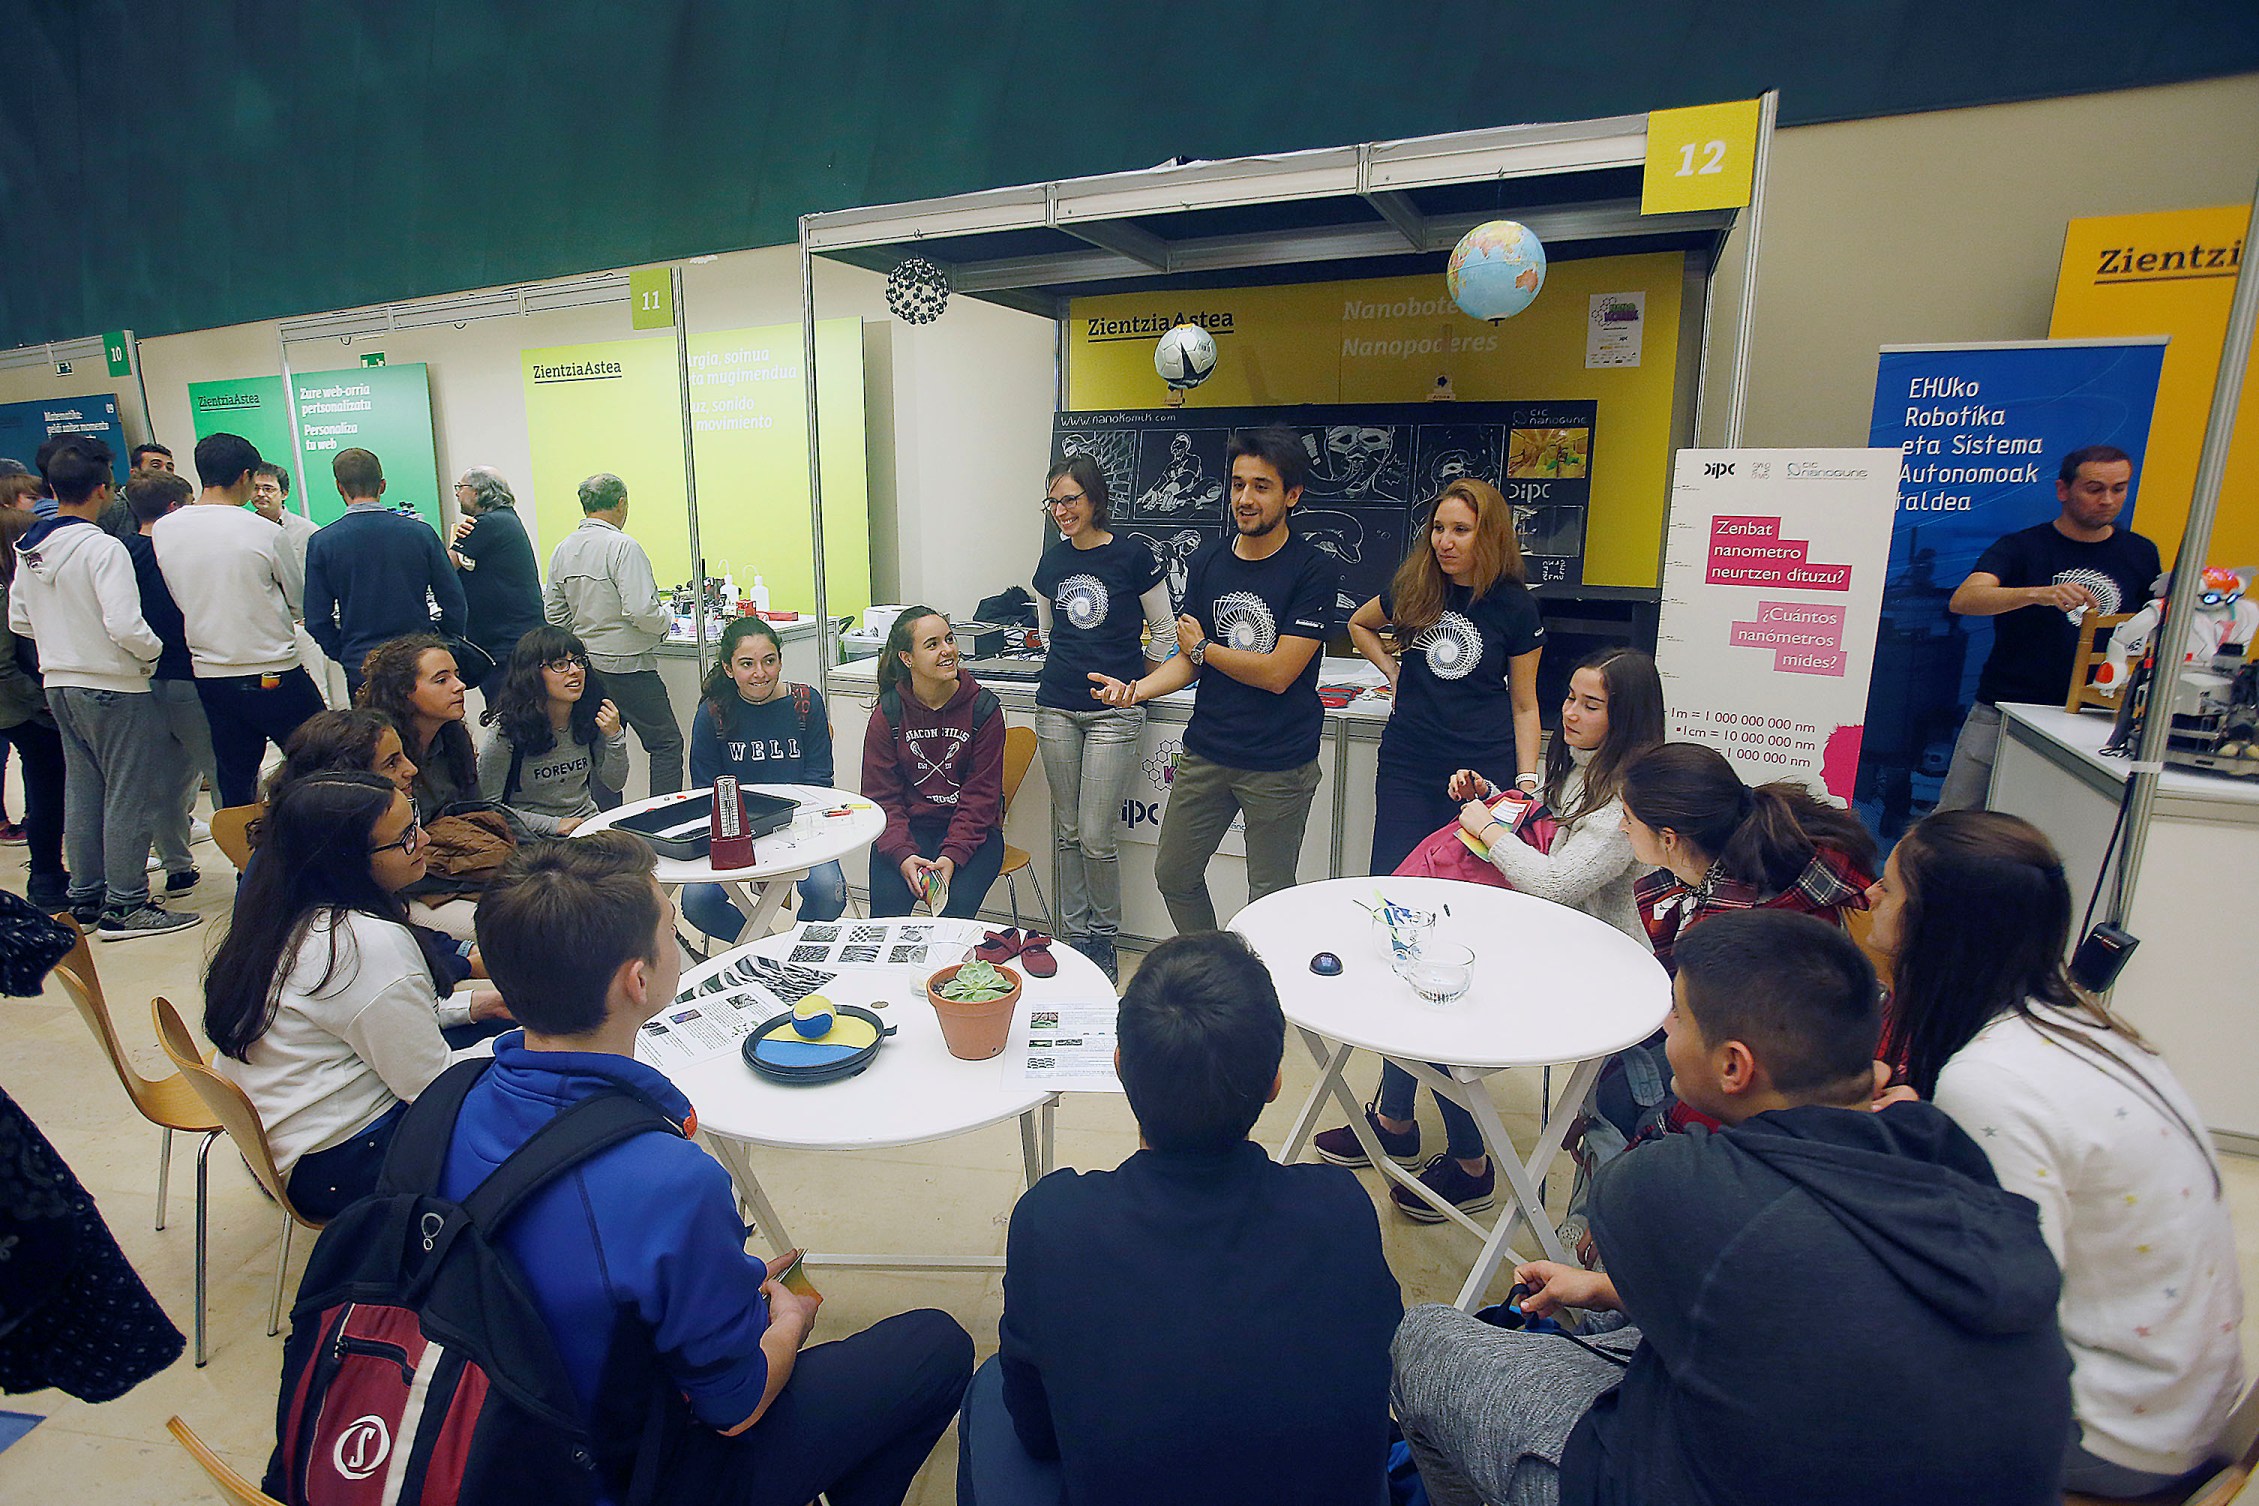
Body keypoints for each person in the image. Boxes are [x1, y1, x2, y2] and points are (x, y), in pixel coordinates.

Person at [1391, 909, 2076, 1506]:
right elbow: (1819, 1294)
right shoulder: (1940, 1148)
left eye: (1678, 1015)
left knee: (1426, 1342)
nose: (1664, 1028)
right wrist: (1607, 1289)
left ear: (1733, 1067)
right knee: (1611, 1319)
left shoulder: (1667, 1184)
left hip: (1708, 1478)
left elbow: (1746, 1249)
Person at [437, 831, 973, 1505]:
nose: (675, 939)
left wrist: (712, 1282)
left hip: (480, 1433)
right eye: (670, 928)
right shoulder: (665, 1179)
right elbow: (736, 1405)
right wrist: (792, 1320)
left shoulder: (444, 1102)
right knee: (935, 1346)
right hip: (622, 1473)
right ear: (637, 980)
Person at [1868, 809, 2244, 1497]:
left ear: (1937, 924)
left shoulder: (1989, 1080)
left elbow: (2004, 1302)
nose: (1869, 895)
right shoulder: (2077, 1017)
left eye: (1889, 888)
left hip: (2116, 1431)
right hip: (2180, 1396)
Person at [963, 931, 1401, 1506]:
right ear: (1274, 1082)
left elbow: (1038, 1432)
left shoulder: (1053, 1224)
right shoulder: (1342, 1210)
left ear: (1120, 1067)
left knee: (989, 1389)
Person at [1314, 647, 1666, 1219]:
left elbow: (1556, 882)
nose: (1570, 713)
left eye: (1591, 705)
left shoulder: (1625, 802)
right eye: (1570, 698)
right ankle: (1394, 1123)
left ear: (1626, 717)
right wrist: (1492, 800)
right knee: (1415, 973)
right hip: (1548, 938)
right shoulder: (1582, 767)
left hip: (1590, 966)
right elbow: (1542, 825)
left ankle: (1471, 1166)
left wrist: (1487, 830)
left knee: (1438, 1009)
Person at [202, 771, 505, 1217]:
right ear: (347, 861)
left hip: (293, 1137)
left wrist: (477, 1005)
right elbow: (431, 1086)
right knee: (539, 1081)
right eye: (405, 838)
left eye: (415, 820)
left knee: (494, 1028)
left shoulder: (276, 912)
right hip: (342, 1165)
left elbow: (365, 1016)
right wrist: (525, 1044)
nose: (424, 840)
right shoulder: (364, 944)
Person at [1090, 427, 1340, 934]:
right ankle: (1215, 964)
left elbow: (1278, 673)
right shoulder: (1208, 560)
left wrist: (1205, 648)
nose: (1245, 498)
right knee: (1174, 874)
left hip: (1279, 762)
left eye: (1261, 486)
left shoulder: (1312, 570)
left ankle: (1262, 980)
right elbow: (1189, 660)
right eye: (1238, 484)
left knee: (1269, 894)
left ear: (1292, 495)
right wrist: (1137, 690)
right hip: (1207, 751)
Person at [8, 439, 198, 940]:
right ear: (102, 490)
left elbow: (19, 620)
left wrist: (65, 639)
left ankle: (87, 897)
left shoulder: (31, 546)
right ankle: (127, 904)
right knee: (129, 792)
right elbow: (125, 625)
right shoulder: (102, 547)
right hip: (113, 685)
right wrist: (152, 654)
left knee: (84, 789)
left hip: (59, 683)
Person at [1938, 445, 2162, 810]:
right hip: (2006, 709)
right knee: (1955, 819)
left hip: (2098, 716)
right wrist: (2037, 593)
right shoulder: (2021, 547)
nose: (2107, 500)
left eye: (2119, 488)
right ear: (2063, 490)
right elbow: (1965, 599)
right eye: (2094, 488)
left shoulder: (2141, 552)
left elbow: (2152, 624)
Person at [1349, 476, 1545, 873]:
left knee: (1468, 879)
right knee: (1395, 876)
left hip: (1481, 770)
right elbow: (1359, 624)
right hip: (1409, 762)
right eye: (1438, 528)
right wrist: (1393, 671)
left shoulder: (1515, 605)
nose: (1445, 542)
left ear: (1489, 535)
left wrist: (1526, 782)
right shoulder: (1415, 587)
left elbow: (1525, 705)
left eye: (1460, 530)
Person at [1030, 455, 1172, 980]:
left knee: (1094, 833)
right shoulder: (1051, 563)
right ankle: (1073, 938)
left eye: (1070, 499)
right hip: (1056, 707)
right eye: (1053, 502)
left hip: (1114, 713)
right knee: (1067, 831)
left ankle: (1104, 937)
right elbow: (1048, 634)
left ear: (1095, 499)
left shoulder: (1133, 557)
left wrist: (1141, 685)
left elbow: (1164, 631)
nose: (1061, 511)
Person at [153, 431, 327, 809]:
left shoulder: (165, 529)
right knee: (320, 759)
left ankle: (244, 846)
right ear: (246, 476)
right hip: (274, 669)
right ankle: (314, 835)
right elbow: (298, 601)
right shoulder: (265, 530)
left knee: (235, 776)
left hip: (211, 673)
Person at [261, 707, 485, 997]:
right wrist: (466, 964)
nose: (412, 769)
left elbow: (404, 928)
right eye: (392, 763)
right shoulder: (317, 891)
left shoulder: (330, 847)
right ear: (348, 782)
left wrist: (464, 953)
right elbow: (387, 970)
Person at [686, 616, 846, 940]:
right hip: (734, 830)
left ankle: (793, 948)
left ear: (780, 662)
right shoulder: (712, 712)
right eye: (747, 664)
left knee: (828, 892)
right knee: (697, 901)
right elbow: (704, 788)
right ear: (729, 668)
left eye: (769, 661)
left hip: (800, 824)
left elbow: (819, 779)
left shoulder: (805, 702)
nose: (760, 673)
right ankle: (763, 945)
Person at [862, 607, 1006, 919]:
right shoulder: (889, 713)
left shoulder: (984, 709)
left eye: (949, 639)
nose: (947, 650)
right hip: (906, 830)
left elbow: (981, 799)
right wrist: (903, 855)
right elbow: (882, 799)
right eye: (932, 644)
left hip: (972, 835)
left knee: (952, 917)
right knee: (886, 920)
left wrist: (951, 856)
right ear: (907, 658)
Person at [544, 472, 681, 796]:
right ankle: (663, 817)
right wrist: (666, 621)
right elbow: (641, 610)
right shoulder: (623, 547)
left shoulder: (563, 550)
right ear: (622, 503)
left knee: (603, 748)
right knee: (665, 743)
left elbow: (554, 615)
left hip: (589, 667)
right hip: (630, 666)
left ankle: (604, 821)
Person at [303, 448, 466, 699]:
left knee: (371, 725)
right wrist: (439, 642)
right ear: (382, 485)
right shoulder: (420, 533)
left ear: (339, 487)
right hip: (421, 660)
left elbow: (316, 619)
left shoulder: (323, 543)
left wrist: (345, 652)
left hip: (362, 663)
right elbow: (454, 600)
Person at [122, 470, 218, 895]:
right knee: (221, 770)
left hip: (141, 681)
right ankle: (247, 862)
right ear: (175, 508)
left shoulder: (121, 553)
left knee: (164, 780)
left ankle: (177, 867)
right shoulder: (177, 554)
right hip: (188, 675)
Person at [356, 634, 485, 942]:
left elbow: (476, 814)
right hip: (404, 887)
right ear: (404, 693)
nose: (459, 686)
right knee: (507, 923)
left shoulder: (452, 741)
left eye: (456, 675)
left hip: (456, 871)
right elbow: (380, 861)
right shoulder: (373, 753)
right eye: (441, 680)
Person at [477, 626, 627, 836]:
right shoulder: (505, 730)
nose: (574, 671)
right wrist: (554, 825)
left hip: (586, 825)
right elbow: (487, 809)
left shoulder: (588, 715)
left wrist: (614, 736)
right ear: (532, 674)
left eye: (578, 661)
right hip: (533, 836)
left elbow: (615, 783)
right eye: (560, 665)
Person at [0, 509, 70, 910]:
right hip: (22, 710)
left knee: (43, 789)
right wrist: (42, 700)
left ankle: (48, 873)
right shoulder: (5, 594)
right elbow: (5, 665)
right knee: (47, 791)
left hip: (17, 708)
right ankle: (46, 877)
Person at [447, 464, 544, 676]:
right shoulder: (506, 519)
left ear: (477, 491)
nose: (457, 493)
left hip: (503, 643)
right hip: (518, 636)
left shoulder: (488, 524)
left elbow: (444, 568)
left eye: (460, 487)